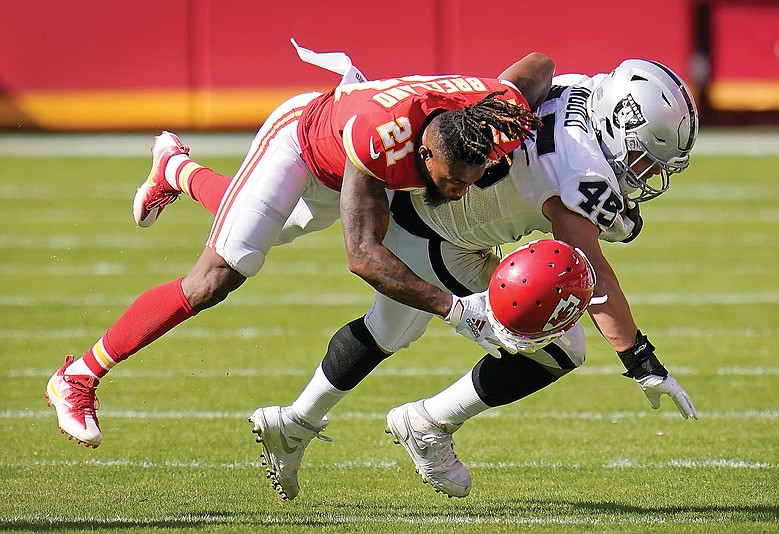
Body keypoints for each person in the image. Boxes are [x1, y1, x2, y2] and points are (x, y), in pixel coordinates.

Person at [44, 46, 556, 448]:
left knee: (261, 226)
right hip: (304, 145)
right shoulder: (383, 141)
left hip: (352, 159)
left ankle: (176, 168)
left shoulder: (489, 118)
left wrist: (510, 107)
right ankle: (78, 376)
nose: (460, 193)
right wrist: (454, 308)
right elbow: (362, 255)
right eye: (449, 182)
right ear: (423, 151)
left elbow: (539, 65)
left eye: (469, 180)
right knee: (218, 276)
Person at [243, 58, 700, 500]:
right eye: (645, 158)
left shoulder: (580, 94)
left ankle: (296, 423)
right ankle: (427, 424)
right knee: (563, 347)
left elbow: (538, 63)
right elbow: (591, 273)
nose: (649, 173)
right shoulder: (583, 176)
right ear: (619, 127)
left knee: (388, 329)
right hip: (441, 234)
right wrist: (639, 359)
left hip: (430, 204)